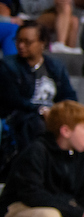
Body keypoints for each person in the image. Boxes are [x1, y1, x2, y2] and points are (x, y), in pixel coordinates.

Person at [0, 21, 77, 149]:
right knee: (37, 124)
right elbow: (13, 100)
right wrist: (41, 110)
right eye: (18, 41)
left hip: (52, 115)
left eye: (27, 42)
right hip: (21, 117)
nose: (21, 45)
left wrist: (65, 112)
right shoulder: (8, 66)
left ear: (43, 43)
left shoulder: (55, 67)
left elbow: (68, 94)